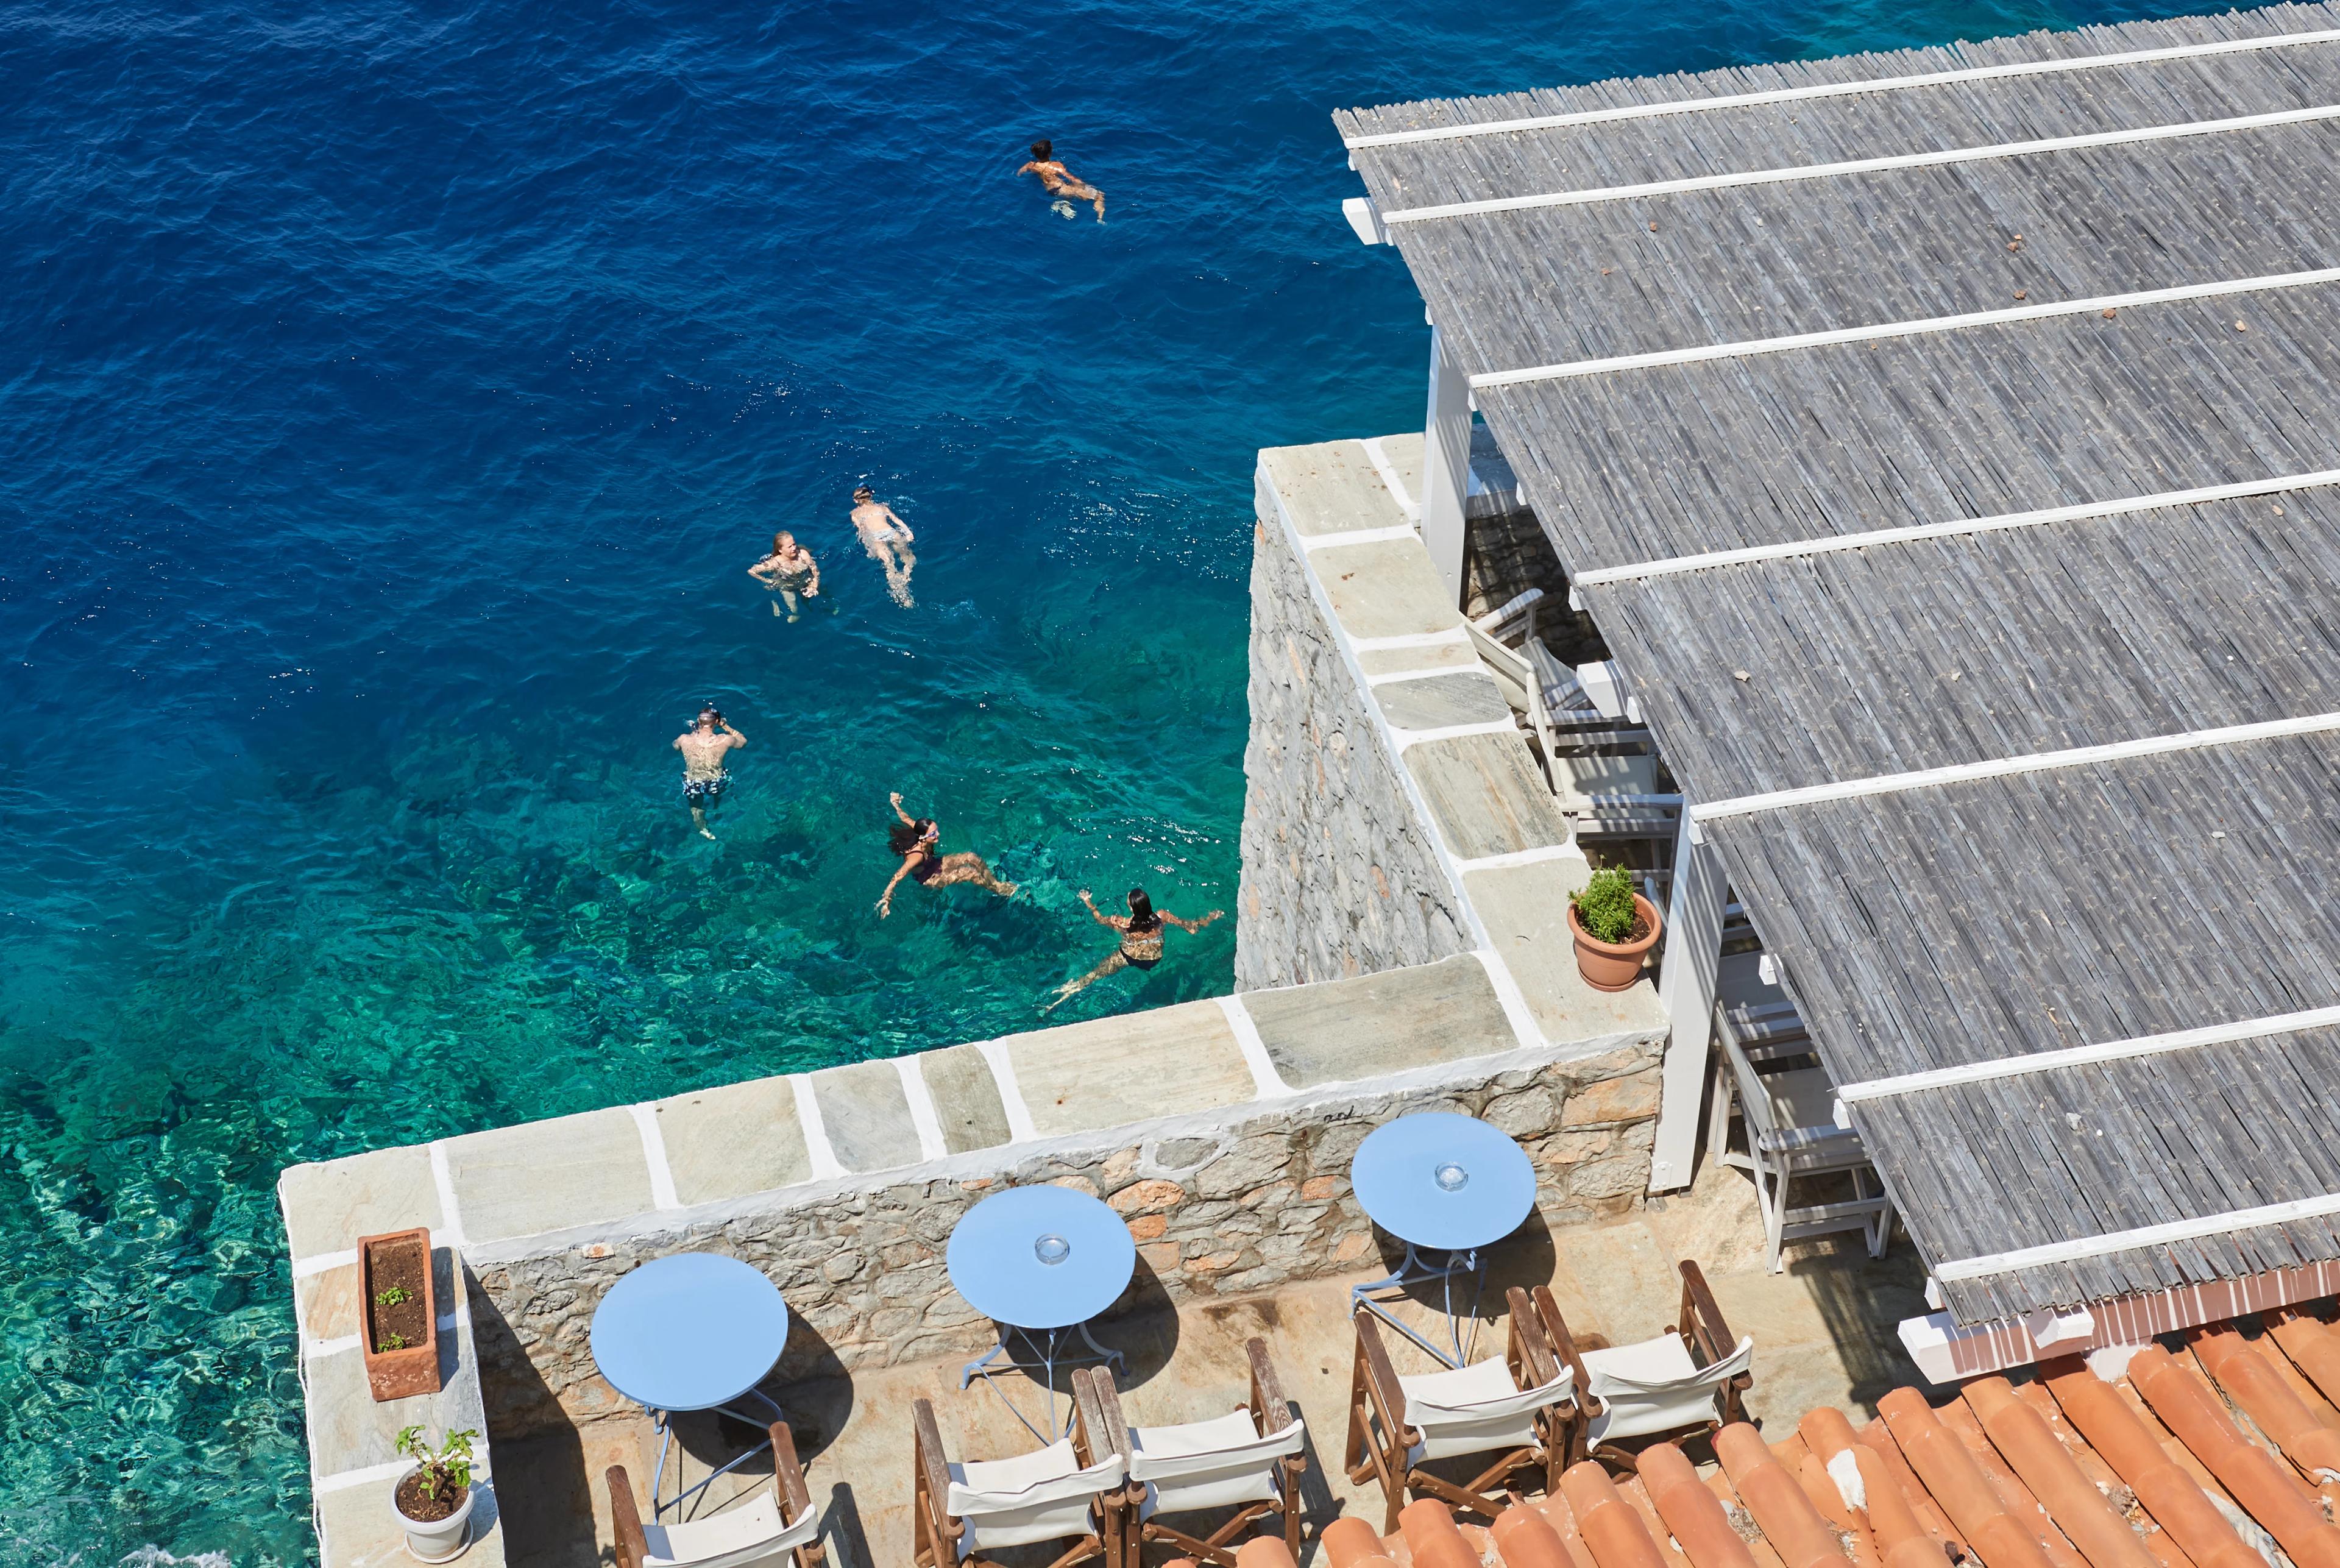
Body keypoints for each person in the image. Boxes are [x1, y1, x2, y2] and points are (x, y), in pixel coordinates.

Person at [1045, 888, 1222, 1012]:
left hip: (1128, 956)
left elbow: (1099, 919)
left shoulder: (1122, 923)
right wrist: (1210, 918)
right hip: (1154, 959)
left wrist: (1088, 902)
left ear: (1131, 908)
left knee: (1094, 975)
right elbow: (1191, 928)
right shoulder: (1162, 916)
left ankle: (1065, 994)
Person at [875, 792, 1016, 917]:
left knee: (971, 857)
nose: (938, 834)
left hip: (934, 863)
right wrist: (887, 899)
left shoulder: (919, 830)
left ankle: (995, 884)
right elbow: (897, 877)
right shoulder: (917, 856)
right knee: (970, 873)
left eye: (937, 830)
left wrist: (896, 805)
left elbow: (905, 819)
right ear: (924, 837)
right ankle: (999, 891)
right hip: (928, 877)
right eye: (933, 834)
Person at [673, 704, 746, 839]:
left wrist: (693, 732)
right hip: (716, 780)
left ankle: (703, 830)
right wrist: (725, 726)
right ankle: (717, 807)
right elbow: (743, 742)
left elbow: (676, 747)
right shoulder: (726, 739)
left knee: (696, 808)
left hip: (693, 782)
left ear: (698, 721)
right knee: (719, 794)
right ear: (717, 722)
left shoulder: (684, 738)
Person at [851, 486, 917, 608]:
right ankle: (906, 574)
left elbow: (862, 532)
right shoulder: (882, 507)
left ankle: (904, 597)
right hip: (891, 532)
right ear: (871, 496)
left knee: (889, 564)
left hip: (876, 537)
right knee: (909, 558)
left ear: (856, 500)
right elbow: (897, 520)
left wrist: (869, 548)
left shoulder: (855, 514)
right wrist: (909, 533)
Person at [1016, 138, 1105, 222]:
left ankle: (1064, 204)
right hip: (1060, 188)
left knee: (1069, 193)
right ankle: (1100, 218)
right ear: (1049, 154)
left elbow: (1019, 173)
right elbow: (1070, 177)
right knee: (1099, 195)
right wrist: (1081, 184)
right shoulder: (1056, 165)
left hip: (1049, 190)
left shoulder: (1031, 165)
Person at [747, 531, 820, 620]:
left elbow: (814, 569)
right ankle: (776, 602)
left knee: (815, 596)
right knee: (793, 610)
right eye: (790, 547)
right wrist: (767, 581)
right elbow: (752, 571)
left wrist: (814, 585)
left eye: (794, 544)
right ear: (780, 550)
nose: (794, 548)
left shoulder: (802, 555)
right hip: (787, 587)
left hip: (805, 581)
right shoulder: (775, 563)